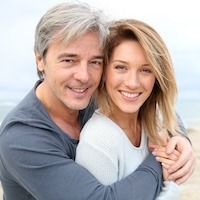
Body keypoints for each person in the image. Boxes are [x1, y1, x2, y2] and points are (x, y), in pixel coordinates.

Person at [0, 2, 195, 200]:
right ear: (40, 60)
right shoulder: (20, 138)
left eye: (95, 62)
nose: (84, 76)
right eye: (69, 60)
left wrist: (180, 138)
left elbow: (152, 106)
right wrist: (161, 160)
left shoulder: (90, 95)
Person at [75, 19, 195, 199]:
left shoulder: (156, 121)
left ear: (157, 77)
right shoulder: (99, 140)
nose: (132, 83)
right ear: (104, 71)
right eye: (121, 67)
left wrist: (183, 141)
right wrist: (171, 187)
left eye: (145, 70)